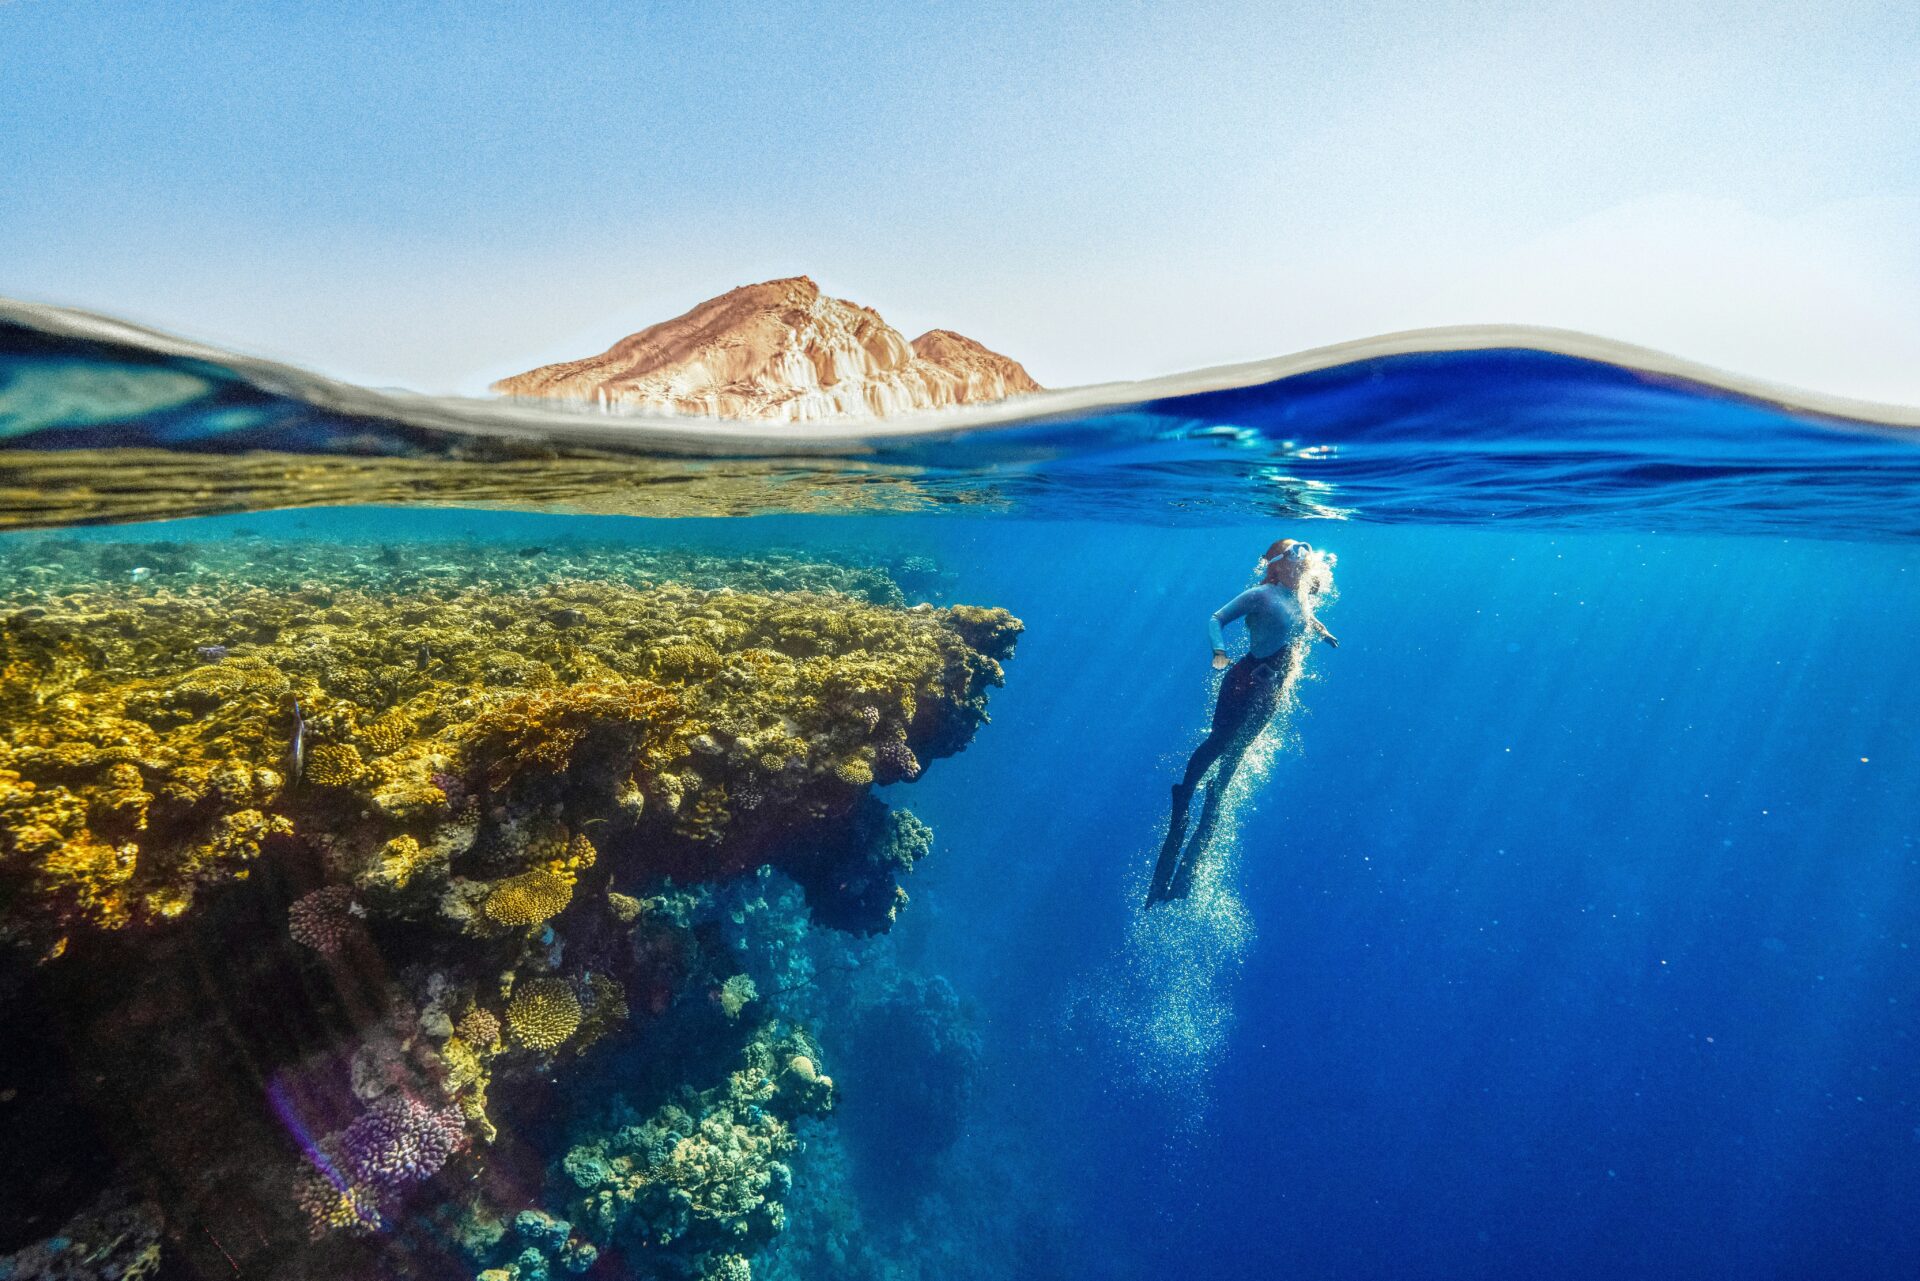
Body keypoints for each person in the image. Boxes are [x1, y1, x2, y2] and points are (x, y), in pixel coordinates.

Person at [1145, 537, 1338, 907]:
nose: (1305, 561)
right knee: (1219, 742)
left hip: (1272, 691)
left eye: (1306, 555)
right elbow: (1216, 618)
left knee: (1239, 751)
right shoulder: (1260, 595)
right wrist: (1218, 650)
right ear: (1278, 564)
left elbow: (1304, 615)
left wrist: (1322, 631)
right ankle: (1185, 796)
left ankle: (1210, 812)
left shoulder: (1299, 598)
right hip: (1246, 680)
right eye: (1297, 554)